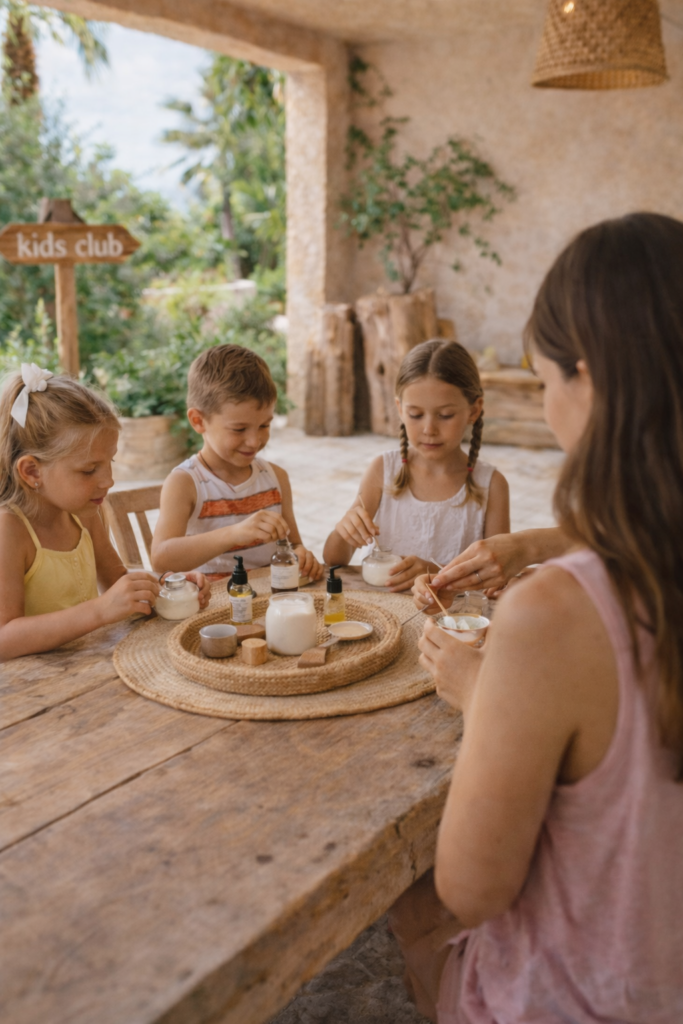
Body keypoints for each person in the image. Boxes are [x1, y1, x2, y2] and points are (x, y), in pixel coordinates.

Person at [391, 212, 683, 1023]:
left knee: (415, 901)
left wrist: (479, 688)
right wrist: (537, 544)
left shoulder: (558, 615)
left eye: (543, 377)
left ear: (584, 379)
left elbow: (474, 887)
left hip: (586, 998)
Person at [0, 366, 210, 662]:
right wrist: (99, 610)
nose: (108, 480)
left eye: (109, 462)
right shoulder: (9, 529)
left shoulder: (84, 513)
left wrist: (170, 589)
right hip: (30, 691)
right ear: (32, 471)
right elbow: (4, 637)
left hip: (85, 668)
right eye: (89, 470)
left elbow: (117, 583)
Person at [323, 340, 509, 592]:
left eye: (445, 415)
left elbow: (497, 574)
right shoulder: (383, 470)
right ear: (400, 409)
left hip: (451, 622)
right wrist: (345, 530)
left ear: (474, 410)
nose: (429, 429)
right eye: (416, 415)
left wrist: (435, 571)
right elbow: (334, 560)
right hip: (385, 613)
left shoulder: (491, 485)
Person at [152, 344, 322, 581]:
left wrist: (301, 554)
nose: (254, 441)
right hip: (212, 609)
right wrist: (234, 534)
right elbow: (161, 558)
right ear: (198, 421)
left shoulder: (276, 478)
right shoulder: (186, 483)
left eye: (264, 425)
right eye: (239, 429)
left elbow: (292, 545)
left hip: (271, 603)